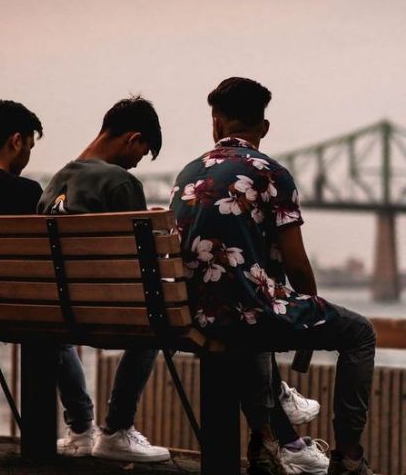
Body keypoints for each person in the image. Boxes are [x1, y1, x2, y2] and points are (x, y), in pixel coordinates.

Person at [170, 77, 376, 475]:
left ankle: (265, 441)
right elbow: (297, 265)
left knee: (251, 300)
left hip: (194, 314)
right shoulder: (272, 174)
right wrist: (312, 306)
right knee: (360, 332)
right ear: (264, 128)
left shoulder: (188, 174)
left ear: (216, 124)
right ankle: (349, 458)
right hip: (245, 315)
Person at [37, 96, 170, 463]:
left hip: (54, 312)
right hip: (110, 312)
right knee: (157, 320)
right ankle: (116, 430)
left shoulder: (54, 183)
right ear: (133, 138)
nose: (136, 162)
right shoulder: (119, 181)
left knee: (56, 329)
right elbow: (139, 262)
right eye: (140, 153)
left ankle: (80, 429)